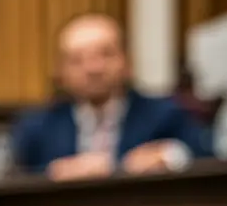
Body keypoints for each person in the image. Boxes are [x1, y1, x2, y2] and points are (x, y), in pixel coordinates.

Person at [11, 12, 209, 180]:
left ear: (127, 62)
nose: (92, 68)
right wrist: (54, 173)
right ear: (60, 72)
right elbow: (15, 178)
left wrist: (169, 156)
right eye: (77, 60)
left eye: (105, 54)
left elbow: (206, 159)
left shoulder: (166, 114)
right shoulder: (37, 127)